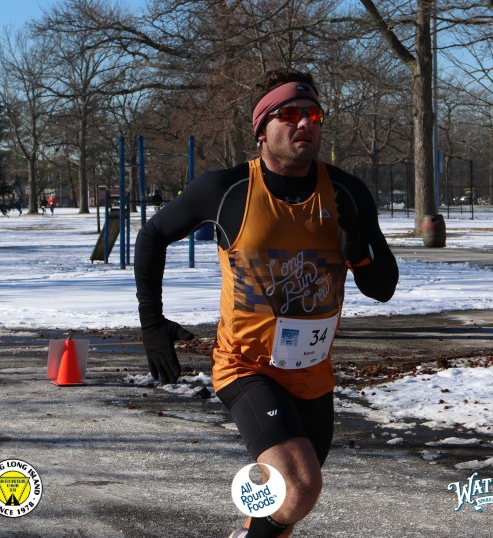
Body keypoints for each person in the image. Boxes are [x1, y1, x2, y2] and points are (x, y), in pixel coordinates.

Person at [134, 69, 399, 538]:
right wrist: (152, 323)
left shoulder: (347, 193)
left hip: (313, 371)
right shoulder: (226, 190)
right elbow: (153, 235)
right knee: (299, 488)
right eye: (290, 114)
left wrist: (359, 250)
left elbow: (383, 287)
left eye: (313, 114)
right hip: (246, 366)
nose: (305, 123)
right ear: (261, 128)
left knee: (281, 505)